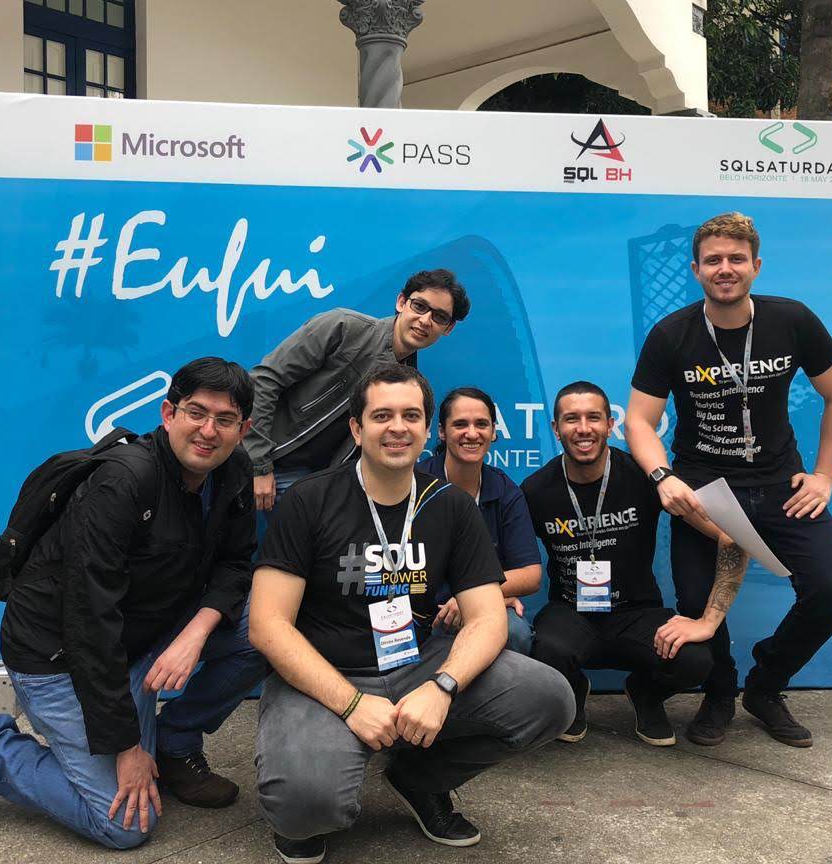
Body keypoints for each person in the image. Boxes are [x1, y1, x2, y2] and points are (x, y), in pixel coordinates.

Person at [0, 358, 267, 849]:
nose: (208, 431)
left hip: (144, 636)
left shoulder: (232, 471)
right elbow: (89, 621)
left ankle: (174, 746)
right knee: (124, 825)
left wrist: (196, 633)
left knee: (268, 629)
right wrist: (125, 746)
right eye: (196, 413)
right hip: (59, 655)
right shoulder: (123, 482)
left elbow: (235, 562)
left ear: (243, 429)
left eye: (225, 420)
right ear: (169, 413)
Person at [250, 363, 574, 864]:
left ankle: (420, 778)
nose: (397, 427)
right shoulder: (310, 500)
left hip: (417, 664)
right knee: (306, 807)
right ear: (356, 428)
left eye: (411, 415)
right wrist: (352, 705)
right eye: (381, 415)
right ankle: (309, 798)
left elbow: (488, 618)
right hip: (327, 673)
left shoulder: (450, 504)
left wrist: (442, 687)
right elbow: (267, 623)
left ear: (427, 431)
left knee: (550, 699)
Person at [624, 211, 832, 749]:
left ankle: (766, 686)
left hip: (782, 485)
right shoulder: (672, 334)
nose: (724, 268)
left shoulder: (792, 319)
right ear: (696, 270)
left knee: (830, 593)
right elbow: (638, 420)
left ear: (756, 265)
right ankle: (720, 692)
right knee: (696, 598)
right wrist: (662, 476)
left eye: (736, 259)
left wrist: (824, 475)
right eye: (713, 260)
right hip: (703, 488)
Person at [523, 381, 714, 747]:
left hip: (637, 612)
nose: (583, 428)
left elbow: (713, 529)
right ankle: (572, 690)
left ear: (610, 425)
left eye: (593, 418)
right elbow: (512, 554)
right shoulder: (535, 490)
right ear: (556, 429)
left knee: (694, 659)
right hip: (572, 611)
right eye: (571, 419)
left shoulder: (644, 478)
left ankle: (645, 691)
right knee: (544, 649)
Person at [246, 269, 470, 512]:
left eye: (439, 317)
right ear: (401, 302)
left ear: (448, 328)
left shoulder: (410, 381)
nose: (425, 320)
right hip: (273, 459)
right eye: (419, 306)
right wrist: (259, 465)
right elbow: (264, 380)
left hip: (325, 484)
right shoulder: (342, 326)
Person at [421, 386, 542, 654]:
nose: (472, 433)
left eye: (481, 424)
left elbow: (531, 574)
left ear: (494, 432)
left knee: (517, 633)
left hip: (481, 603)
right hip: (421, 607)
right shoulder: (416, 484)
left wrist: (478, 596)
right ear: (442, 431)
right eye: (460, 424)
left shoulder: (505, 490)